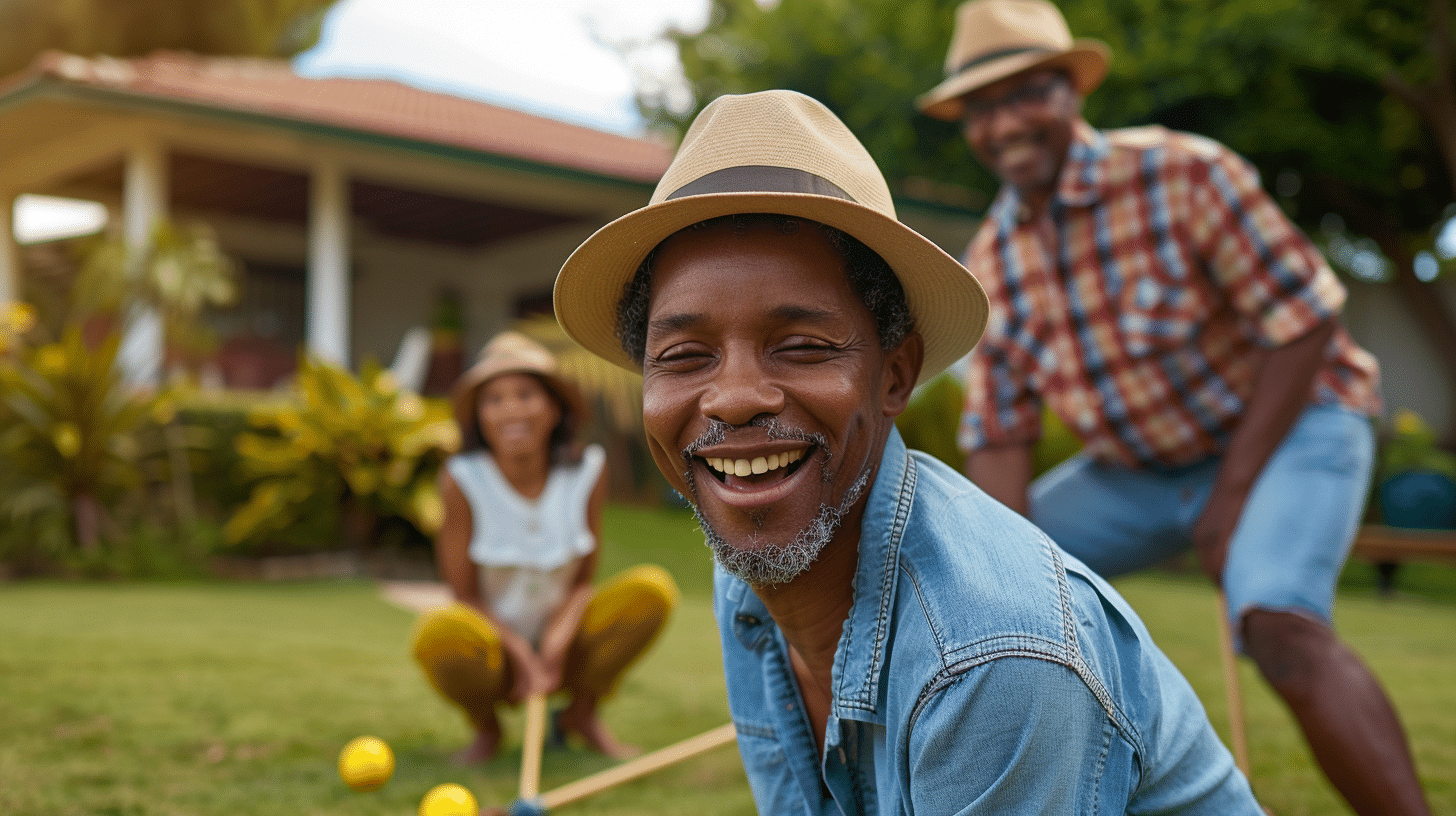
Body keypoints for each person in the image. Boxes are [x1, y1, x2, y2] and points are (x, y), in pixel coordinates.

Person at [554, 89, 1264, 813]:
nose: (734, 397)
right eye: (682, 355)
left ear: (894, 375)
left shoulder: (994, 656)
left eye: (802, 347)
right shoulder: (750, 572)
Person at [917, 2, 1431, 813]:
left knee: (1277, 621)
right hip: (1138, 472)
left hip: (1298, 422)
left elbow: (1302, 326)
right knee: (960, 593)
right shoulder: (992, 262)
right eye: (981, 107)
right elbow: (1001, 442)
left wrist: (1231, 499)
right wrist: (996, 585)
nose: (1004, 122)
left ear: (1071, 94)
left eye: (1027, 93)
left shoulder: (1185, 173)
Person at [411, 331, 679, 762]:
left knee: (651, 590)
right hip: (495, 652)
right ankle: (488, 729)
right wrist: (522, 655)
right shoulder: (461, 480)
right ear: (479, 416)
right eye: (493, 400)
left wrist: (553, 648)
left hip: (568, 644)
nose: (510, 410)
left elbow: (582, 584)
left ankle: (581, 715)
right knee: (440, 631)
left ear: (555, 408)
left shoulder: (589, 471)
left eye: (525, 394)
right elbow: (465, 596)